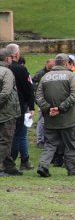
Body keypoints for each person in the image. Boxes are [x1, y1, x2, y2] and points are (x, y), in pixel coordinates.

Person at [35, 54, 75, 177]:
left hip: (51, 118)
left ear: (55, 63)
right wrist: (60, 108)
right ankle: (72, 169)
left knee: (50, 144)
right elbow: (74, 96)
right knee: (71, 144)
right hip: (69, 118)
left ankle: (43, 165)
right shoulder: (71, 76)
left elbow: (38, 97)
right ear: (66, 63)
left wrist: (48, 108)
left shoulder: (45, 77)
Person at [5, 45, 34, 171]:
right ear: (16, 55)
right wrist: (31, 106)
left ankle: (25, 160)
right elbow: (29, 89)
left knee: (17, 134)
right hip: (19, 106)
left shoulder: (3, 69)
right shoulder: (21, 70)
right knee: (18, 135)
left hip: (4, 106)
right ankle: (10, 162)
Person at [0, 49, 21, 177]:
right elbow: (6, 92)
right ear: (7, 59)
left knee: (3, 140)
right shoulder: (7, 72)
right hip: (7, 111)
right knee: (5, 141)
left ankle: (10, 167)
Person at [32, 59, 54, 148]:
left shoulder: (51, 73)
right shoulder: (40, 74)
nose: (52, 68)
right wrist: (39, 102)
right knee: (42, 121)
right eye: (50, 66)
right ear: (47, 64)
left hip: (48, 101)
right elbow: (34, 88)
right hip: (43, 101)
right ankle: (40, 140)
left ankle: (46, 139)